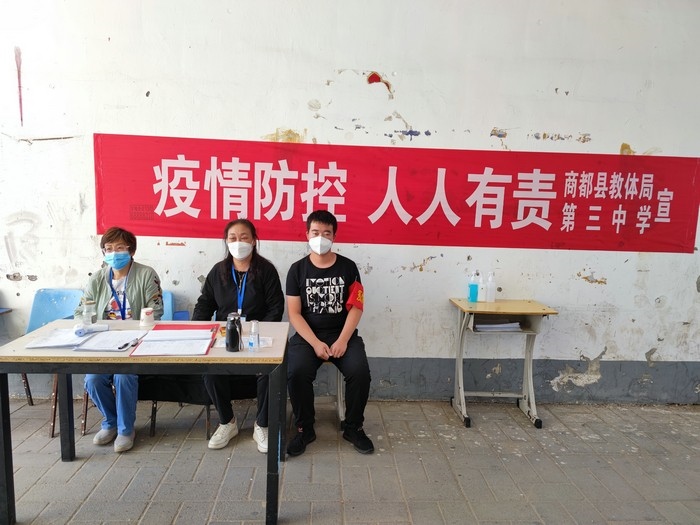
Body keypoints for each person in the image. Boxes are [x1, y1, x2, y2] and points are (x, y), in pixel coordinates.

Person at [285, 210, 374, 456]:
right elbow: (294, 314)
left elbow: (357, 306)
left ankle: (354, 427)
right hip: (308, 337)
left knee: (360, 373)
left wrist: (343, 340)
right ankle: (304, 428)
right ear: (307, 234)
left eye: (326, 233)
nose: (320, 238)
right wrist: (315, 343)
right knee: (296, 372)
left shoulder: (349, 267)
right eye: (315, 233)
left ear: (334, 236)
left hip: (342, 334)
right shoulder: (296, 270)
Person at [192, 219, 284, 452]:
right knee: (210, 370)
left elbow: (276, 307)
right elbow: (204, 304)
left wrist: (261, 332)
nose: (238, 242)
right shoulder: (218, 271)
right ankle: (227, 422)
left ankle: (262, 425)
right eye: (233, 238)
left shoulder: (266, 270)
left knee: (269, 370)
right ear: (226, 241)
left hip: (258, 336)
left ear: (253, 241)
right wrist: (199, 331)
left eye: (244, 237)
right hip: (227, 336)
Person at [78, 226, 164, 453]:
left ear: (131, 250)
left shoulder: (146, 274)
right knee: (93, 379)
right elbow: (81, 311)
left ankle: (126, 430)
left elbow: (156, 310)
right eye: (108, 248)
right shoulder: (97, 278)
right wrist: (88, 324)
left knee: (123, 376)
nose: (114, 253)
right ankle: (111, 422)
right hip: (103, 342)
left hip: (136, 341)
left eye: (119, 248)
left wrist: (133, 328)